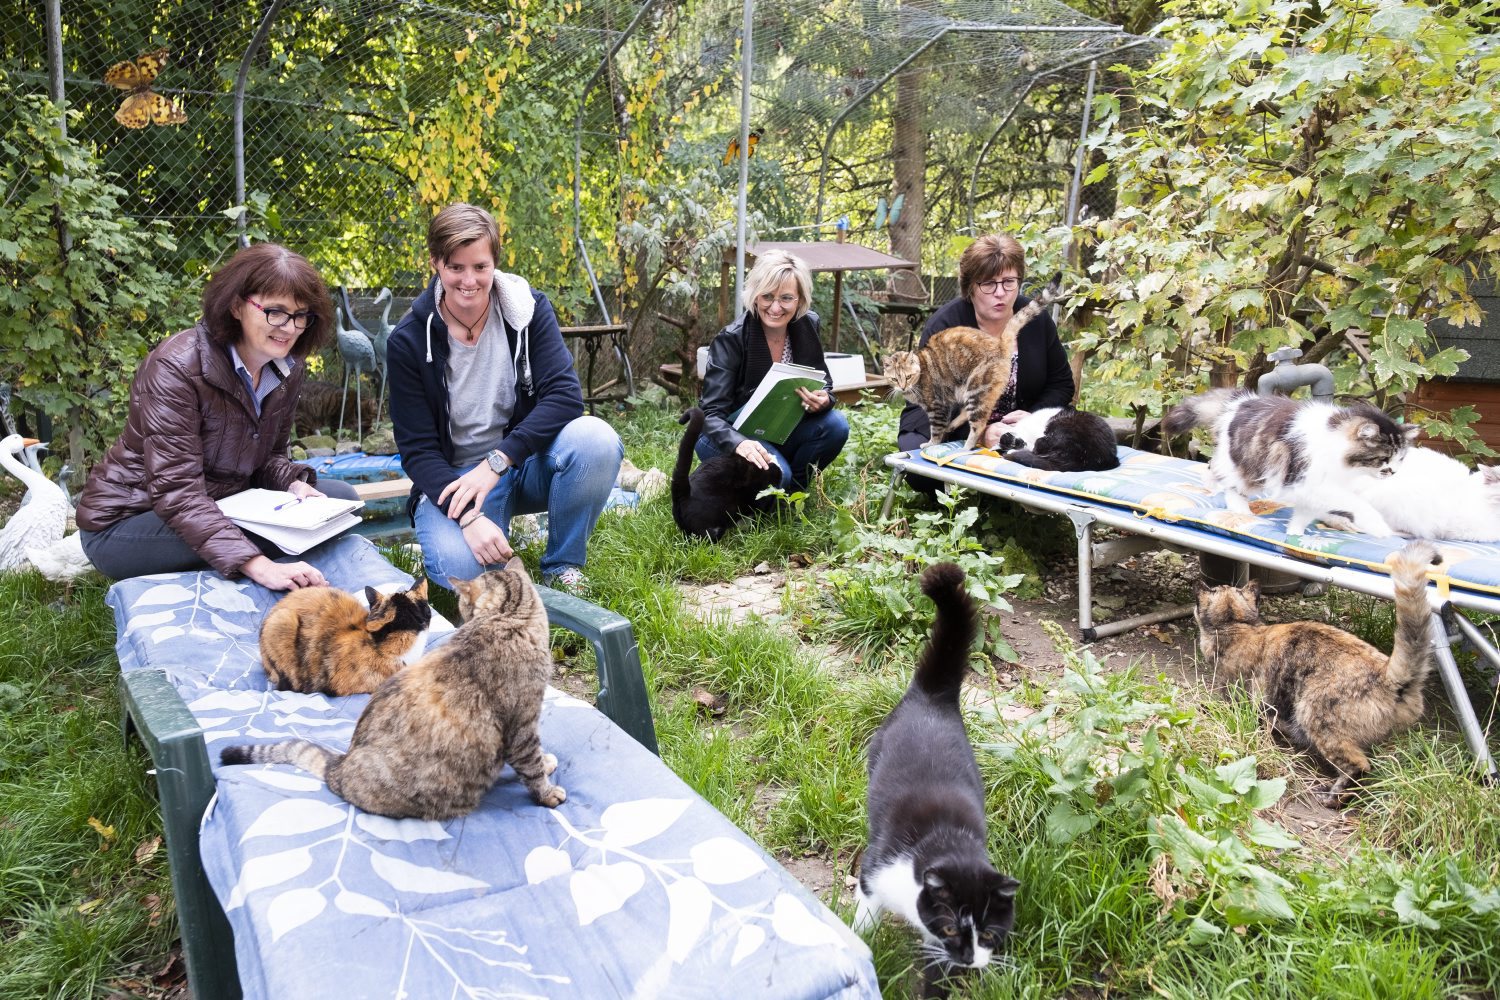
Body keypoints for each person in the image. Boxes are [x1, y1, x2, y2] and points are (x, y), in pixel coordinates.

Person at [76, 243, 360, 590]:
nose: (289, 327)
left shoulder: (289, 367)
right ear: (237, 306)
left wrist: (292, 483)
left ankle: (249, 547)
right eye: (275, 311)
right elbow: (177, 492)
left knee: (340, 498)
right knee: (285, 534)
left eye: (301, 315)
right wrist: (259, 567)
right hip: (130, 522)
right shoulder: (176, 366)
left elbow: (267, 458)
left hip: (222, 503)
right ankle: (248, 556)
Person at [387, 203, 622, 593]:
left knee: (596, 439)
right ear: (435, 263)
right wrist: (467, 518)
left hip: (521, 463)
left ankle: (562, 565)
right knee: (460, 570)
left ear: (495, 262)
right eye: (456, 267)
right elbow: (417, 450)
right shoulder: (409, 339)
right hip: (455, 480)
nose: (469, 280)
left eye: (480, 267)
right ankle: (488, 535)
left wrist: (497, 461)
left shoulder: (527, 310)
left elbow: (565, 396)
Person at [896, 233, 1074, 494]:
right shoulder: (945, 324)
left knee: (1073, 441)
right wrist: (981, 432)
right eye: (989, 284)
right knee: (921, 466)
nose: (1000, 293)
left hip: (1021, 424)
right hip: (953, 420)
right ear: (970, 287)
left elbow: (1061, 384)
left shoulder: (1036, 319)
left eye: (1009, 282)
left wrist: (1032, 418)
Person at [697, 250, 849, 490]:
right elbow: (710, 415)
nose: (776, 308)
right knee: (778, 473)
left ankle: (791, 495)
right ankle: (760, 487)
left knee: (836, 426)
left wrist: (824, 398)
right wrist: (740, 444)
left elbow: (824, 380)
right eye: (767, 296)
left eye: (786, 298)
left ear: (800, 299)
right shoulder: (731, 339)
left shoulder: (808, 325)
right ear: (755, 296)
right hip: (725, 436)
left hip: (779, 428)